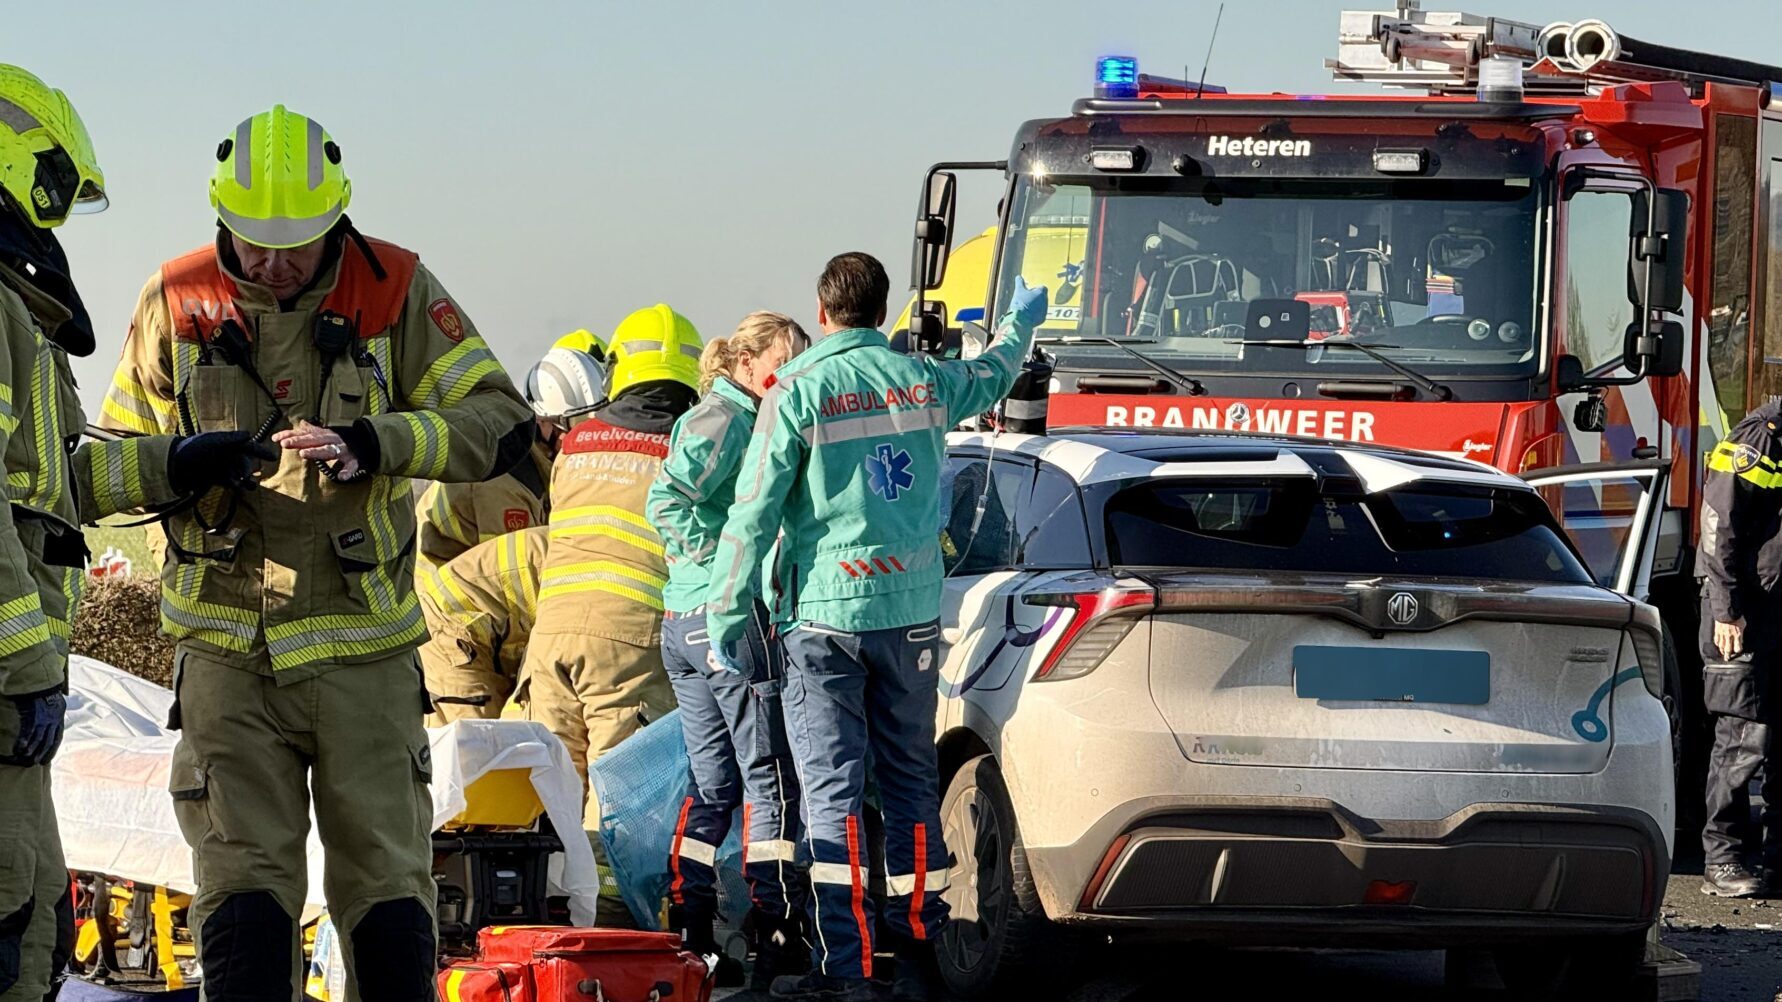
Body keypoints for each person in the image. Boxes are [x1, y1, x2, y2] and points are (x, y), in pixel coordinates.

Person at [93, 104, 534, 1001]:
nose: (273, 264)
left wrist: (379, 442)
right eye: (255, 243)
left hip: (363, 656)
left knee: (387, 891)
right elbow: (101, 468)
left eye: (296, 245)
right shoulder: (176, 299)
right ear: (221, 214)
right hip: (228, 657)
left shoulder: (395, 289)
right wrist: (178, 461)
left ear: (338, 215)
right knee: (242, 898)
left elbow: (498, 420)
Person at [704, 253, 1047, 1001]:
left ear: (822, 313)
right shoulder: (923, 379)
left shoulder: (797, 391)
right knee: (910, 780)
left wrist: (727, 612)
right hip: (912, 617)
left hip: (822, 620)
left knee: (832, 795)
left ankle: (848, 970)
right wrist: (1021, 321)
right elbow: (994, 375)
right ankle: (920, 948)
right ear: (883, 312)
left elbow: (752, 513)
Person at [0, 63, 177, 1002]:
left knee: (33, 912)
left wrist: (178, 464)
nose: (59, 218)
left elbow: (53, 483)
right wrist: (27, 667)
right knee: (9, 913)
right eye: (58, 188)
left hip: (15, 696)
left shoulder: (17, 311)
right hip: (7, 684)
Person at [647, 311, 810, 988]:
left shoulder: (727, 415)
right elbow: (666, 500)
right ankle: (775, 929)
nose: (790, 377)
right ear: (746, 363)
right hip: (724, 621)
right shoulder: (729, 420)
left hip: (683, 622)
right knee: (768, 778)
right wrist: (728, 565)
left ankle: (690, 928)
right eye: (782, 364)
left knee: (712, 785)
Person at [520, 305, 698, 825]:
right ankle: (607, 882)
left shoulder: (575, 444)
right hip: (629, 645)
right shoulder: (686, 448)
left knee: (551, 794)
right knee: (620, 798)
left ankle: (552, 878)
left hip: (551, 634)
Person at [414, 341, 606, 576]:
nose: (586, 438)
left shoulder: (542, 462)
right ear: (542, 420)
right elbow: (511, 575)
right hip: (444, 590)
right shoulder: (506, 481)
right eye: (576, 425)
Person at [1698, 400, 1782, 898]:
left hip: (1776, 611)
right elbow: (1718, 524)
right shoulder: (1762, 436)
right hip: (1745, 612)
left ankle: (1776, 864)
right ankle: (1723, 859)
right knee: (1743, 736)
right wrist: (1727, 609)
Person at [417, 526, 547, 724]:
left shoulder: (577, 549)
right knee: (473, 736)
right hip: (450, 628)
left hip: (466, 620)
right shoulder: (582, 571)